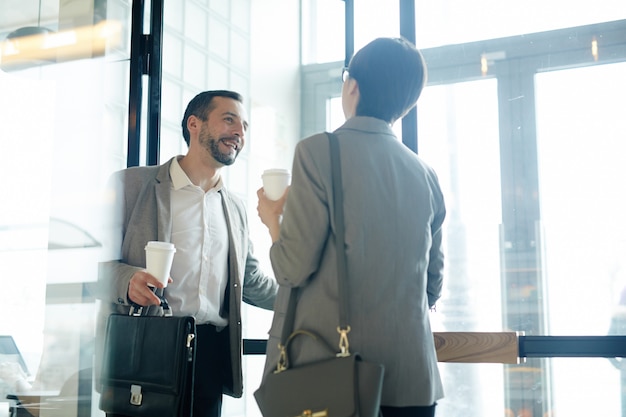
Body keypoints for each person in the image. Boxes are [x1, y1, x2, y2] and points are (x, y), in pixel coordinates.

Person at [256, 38, 445, 417]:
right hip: (413, 383)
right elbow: (433, 283)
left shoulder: (317, 152)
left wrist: (272, 219)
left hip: (334, 383)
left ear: (352, 86)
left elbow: (292, 267)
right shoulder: (426, 174)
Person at [97, 90, 279, 417]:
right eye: (229, 119)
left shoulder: (235, 207)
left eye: (244, 126)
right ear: (194, 124)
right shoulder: (132, 186)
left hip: (209, 355)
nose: (240, 132)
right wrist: (127, 281)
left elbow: (250, 282)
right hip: (147, 346)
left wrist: (308, 298)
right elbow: (92, 266)